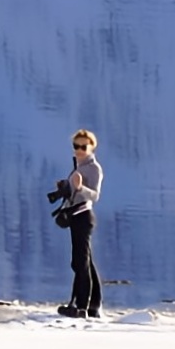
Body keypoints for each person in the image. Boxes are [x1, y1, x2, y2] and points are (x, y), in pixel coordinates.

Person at [56, 128, 103, 319]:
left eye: (84, 146)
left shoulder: (93, 168)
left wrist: (79, 187)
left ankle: (81, 306)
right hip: (76, 216)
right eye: (76, 146)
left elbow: (95, 195)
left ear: (92, 147)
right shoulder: (79, 166)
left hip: (84, 216)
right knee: (86, 262)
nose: (79, 150)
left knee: (80, 262)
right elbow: (75, 192)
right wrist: (66, 188)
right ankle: (93, 305)